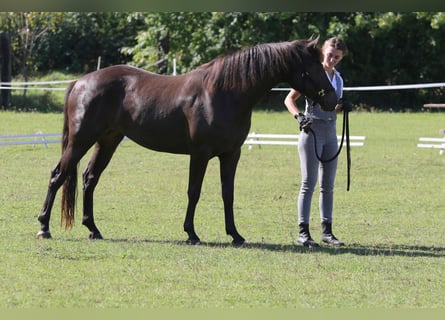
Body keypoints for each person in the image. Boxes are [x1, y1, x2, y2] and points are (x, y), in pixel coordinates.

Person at [284, 37, 350, 247]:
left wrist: (342, 107)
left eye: (336, 57)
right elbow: (289, 99)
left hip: (331, 132)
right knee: (308, 183)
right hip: (311, 131)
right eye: (329, 54)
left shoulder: (338, 79)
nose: (332, 60)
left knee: (328, 186)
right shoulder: (312, 75)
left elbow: (331, 105)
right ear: (323, 52)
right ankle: (303, 232)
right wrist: (299, 117)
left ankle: (327, 231)